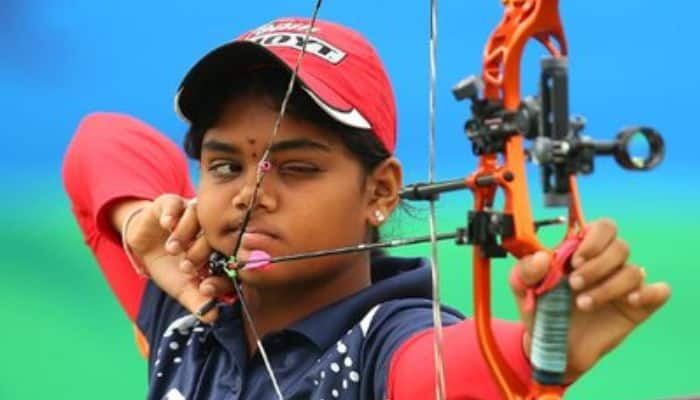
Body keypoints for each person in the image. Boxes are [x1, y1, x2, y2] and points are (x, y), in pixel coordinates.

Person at [62, 17, 671, 399]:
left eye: (297, 166)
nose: (251, 193)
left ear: (380, 193)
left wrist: (545, 347)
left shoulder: (386, 344)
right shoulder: (187, 305)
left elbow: (448, 371)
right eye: (226, 166)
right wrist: (143, 223)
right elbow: (100, 140)